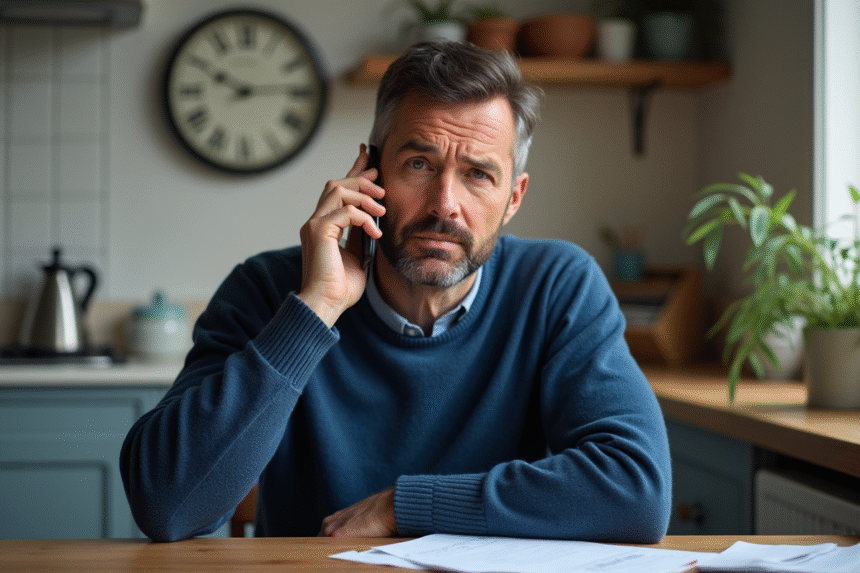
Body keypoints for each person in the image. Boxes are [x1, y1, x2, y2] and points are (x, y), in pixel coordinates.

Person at [120, 41, 672, 543]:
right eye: (418, 164)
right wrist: (316, 311)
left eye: (478, 175)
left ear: (514, 197)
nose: (444, 205)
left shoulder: (556, 286)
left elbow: (637, 490)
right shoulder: (267, 290)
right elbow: (166, 505)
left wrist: (404, 506)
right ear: (370, 172)